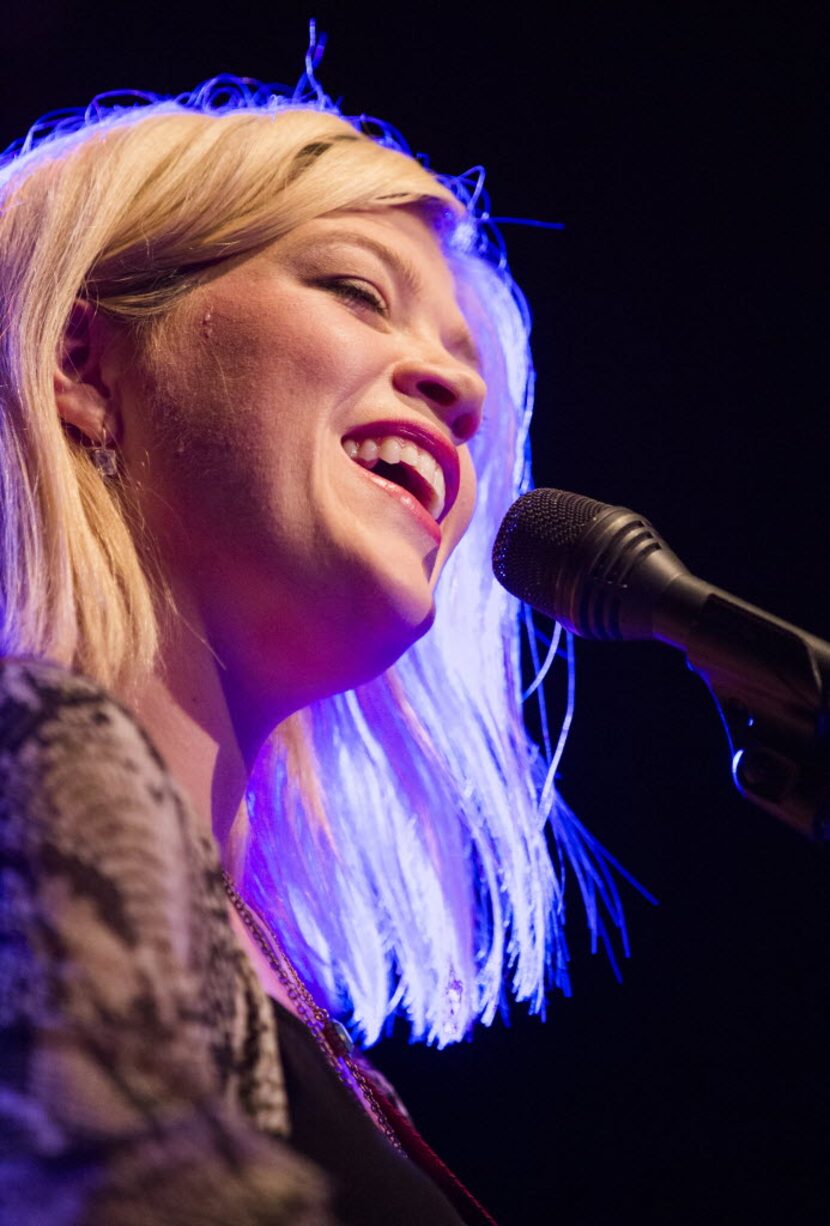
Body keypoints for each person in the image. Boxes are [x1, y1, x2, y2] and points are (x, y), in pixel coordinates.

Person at [0, 48, 628, 1226]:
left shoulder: (263, 981)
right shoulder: (25, 759)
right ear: (82, 362)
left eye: (468, 370)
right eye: (355, 289)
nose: (457, 390)